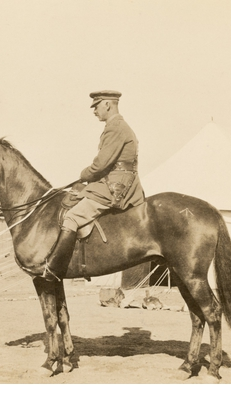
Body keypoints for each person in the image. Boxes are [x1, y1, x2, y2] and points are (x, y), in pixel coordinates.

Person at [43, 90, 145, 282]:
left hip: (115, 186)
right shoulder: (118, 126)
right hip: (117, 181)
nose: (94, 111)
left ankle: (54, 268)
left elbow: (100, 165)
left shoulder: (116, 127)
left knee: (72, 217)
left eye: (96, 106)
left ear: (108, 104)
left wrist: (83, 176)